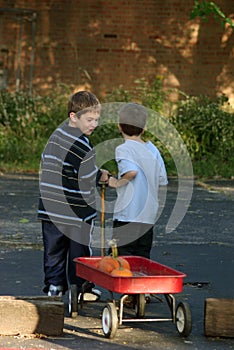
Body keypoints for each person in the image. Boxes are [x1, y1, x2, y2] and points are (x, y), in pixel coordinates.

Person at [38, 91, 109, 298]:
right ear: (73, 117)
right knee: (79, 251)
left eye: (96, 119)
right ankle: (80, 287)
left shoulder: (56, 136)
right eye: (89, 119)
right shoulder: (82, 144)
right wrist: (104, 177)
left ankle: (54, 286)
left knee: (53, 250)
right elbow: (87, 175)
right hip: (76, 211)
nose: (93, 124)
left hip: (51, 207)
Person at [108, 102, 168, 260]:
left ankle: (123, 286)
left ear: (120, 127)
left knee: (120, 259)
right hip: (147, 217)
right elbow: (162, 179)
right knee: (142, 259)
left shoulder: (124, 148)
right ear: (144, 127)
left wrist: (115, 182)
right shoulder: (152, 149)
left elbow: (131, 172)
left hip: (127, 215)